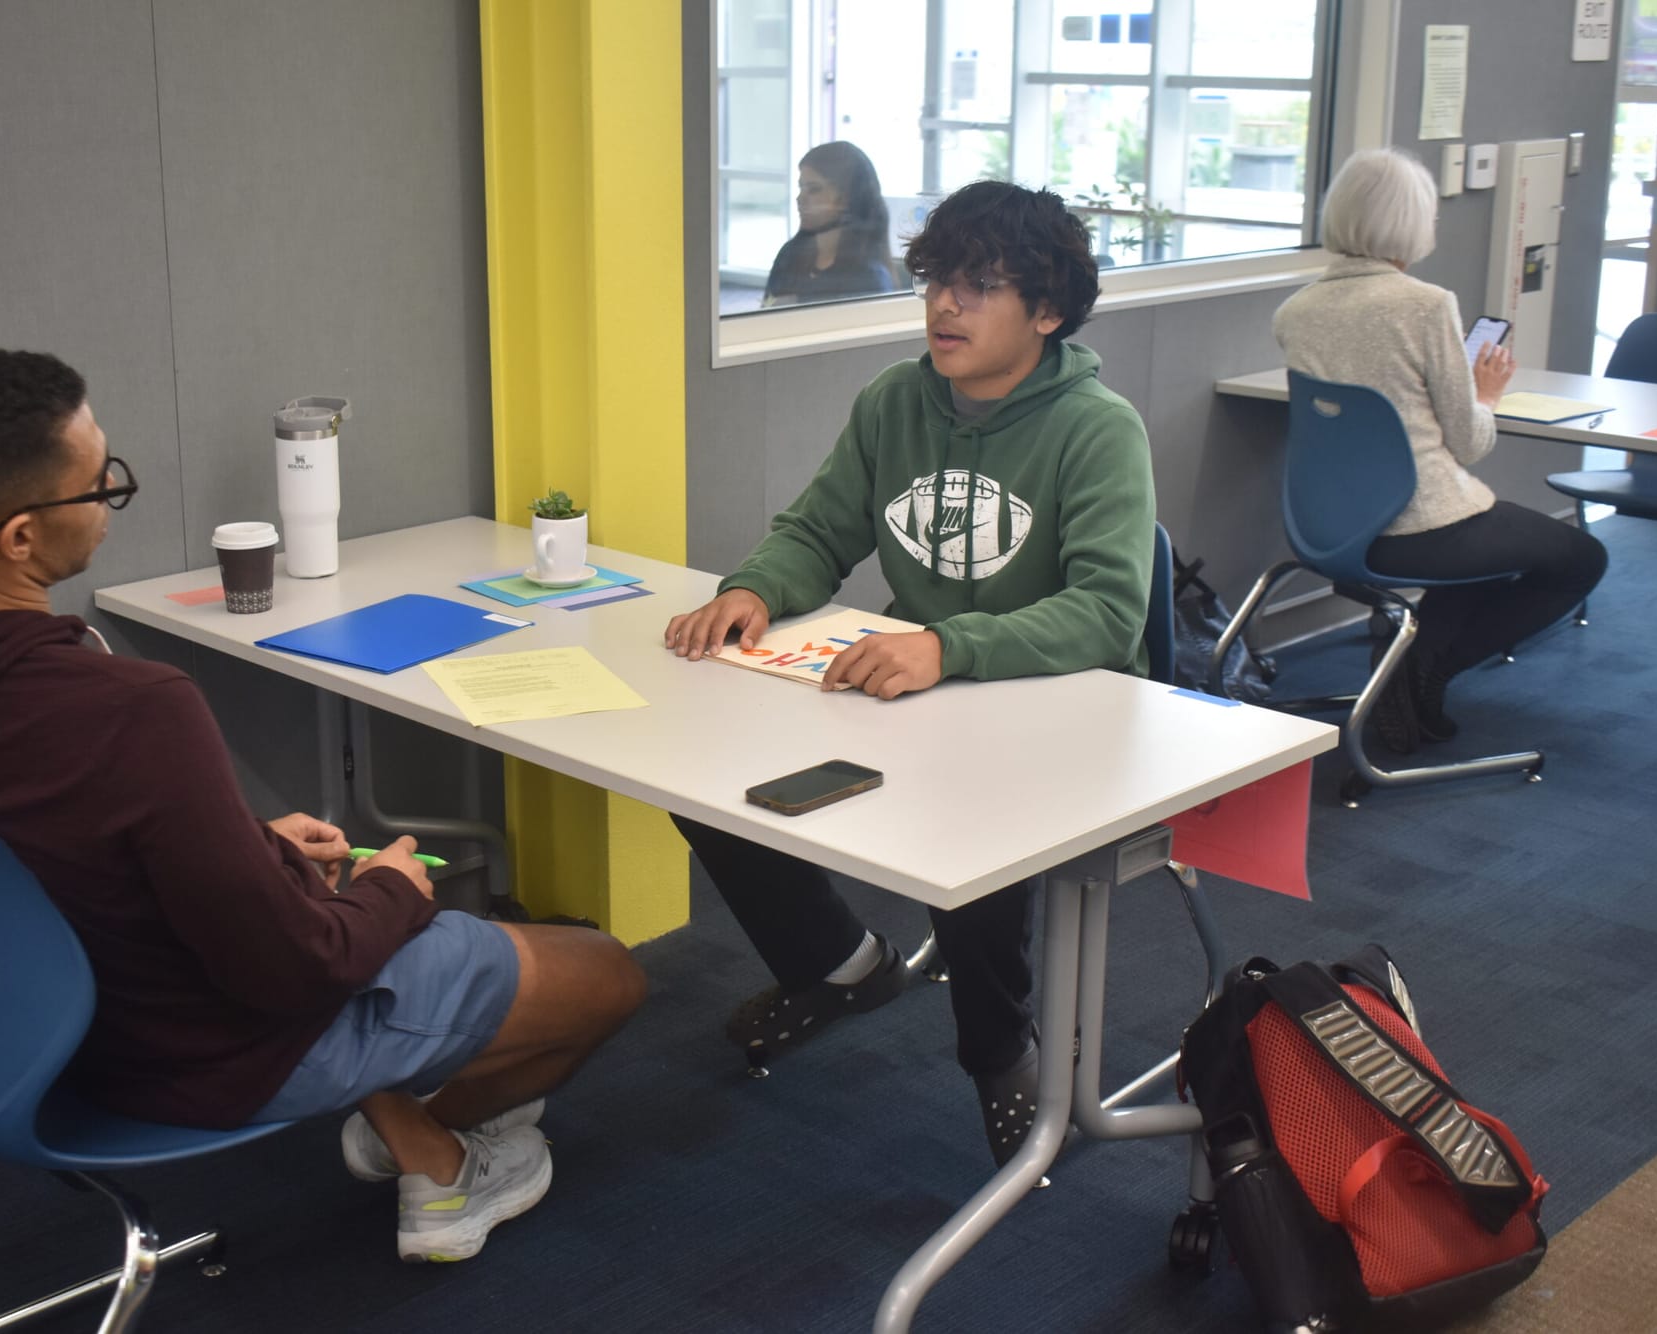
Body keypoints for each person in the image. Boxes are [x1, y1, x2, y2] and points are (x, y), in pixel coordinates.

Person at [0, 349, 646, 1263]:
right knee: (606, 974)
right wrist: (392, 888)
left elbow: (61, 844)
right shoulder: (131, 707)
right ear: (19, 538)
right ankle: (444, 1163)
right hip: (207, 1047)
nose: (109, 500)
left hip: (28, 1032)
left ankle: (413, 1136)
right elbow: (298, 969)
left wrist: (245, 843)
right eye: (100, 485)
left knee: (304, 886)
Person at [665, 181, 1154, 1167]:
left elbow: (1109, 614)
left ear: (1046, 311)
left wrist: (948, 645)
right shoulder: (895, 400)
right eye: (935, 281)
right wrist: (755, 587)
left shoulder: (1098, 427)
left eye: (980, 287)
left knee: (963, 837)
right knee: (704, 778)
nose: (944, 306)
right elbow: (819, 530)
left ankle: (1000, 1050)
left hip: (1053, 707)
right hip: (919, 686)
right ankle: (839, 965)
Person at [1272, 148, 1608, 752]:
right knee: (1580, 558)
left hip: (1326, 528)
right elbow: (1470, 442)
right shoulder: (1426, 305)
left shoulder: (1295, 313)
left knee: (1488, 550)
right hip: (1420, 524)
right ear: (1411, 223)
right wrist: (1488, 393)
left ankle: (1411, 669)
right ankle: (1419, 671)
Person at [762, 141, 896, 307]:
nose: (800, 199)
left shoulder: (869, 277)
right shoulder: (789, 254)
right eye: (801, 188)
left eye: (814, 189)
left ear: (846, 198)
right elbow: (766, 310)